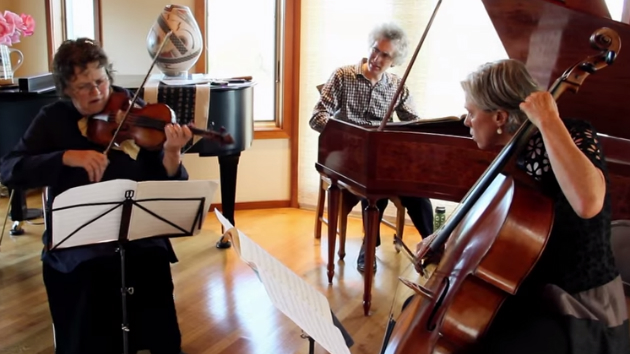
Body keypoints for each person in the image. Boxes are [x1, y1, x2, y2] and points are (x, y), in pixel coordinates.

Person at [413, 59, 630, 353]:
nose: (466, 121)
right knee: (422, 313)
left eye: (471, 112)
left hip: (577, 306)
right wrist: (445, 241)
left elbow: (589, 203)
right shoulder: (515, 157)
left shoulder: (575, 135)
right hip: (527, 291)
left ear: (500, 117)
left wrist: (548, 120)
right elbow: (495, 233)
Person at [0, 38, 191, 354]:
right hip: (79, 238)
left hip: (136, 232)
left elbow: (164, 181)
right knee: (90, 276)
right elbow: (9, 169)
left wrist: (172, 153)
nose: (98, 92)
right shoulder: (53, 119)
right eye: (84, 86)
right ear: (66, 89)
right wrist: (65, 157)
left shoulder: (132, 111)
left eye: (101, 81)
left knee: (153, 262)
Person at [309, 22, 434, 272]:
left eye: (385, 55)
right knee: (375, 182)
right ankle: (370, 245)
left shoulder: (398, 86)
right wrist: (349, 136)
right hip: (347, 159)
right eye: (375, 50)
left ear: (394, 60)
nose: (376, 58)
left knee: (417, 188)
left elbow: (413, 125)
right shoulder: (343, 75)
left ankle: (432, 245)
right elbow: (317, 116)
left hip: (381, 160)